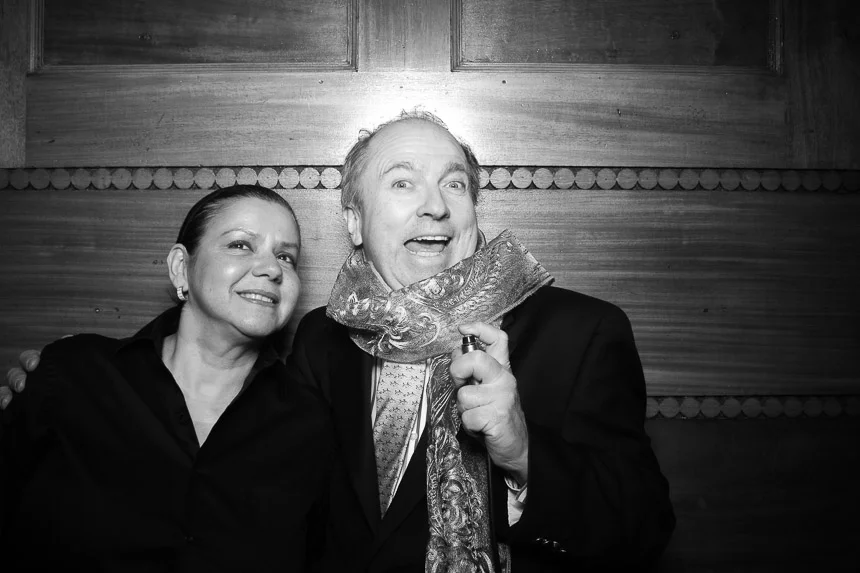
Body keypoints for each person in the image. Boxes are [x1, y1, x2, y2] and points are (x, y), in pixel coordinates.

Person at [4, 112, 675, 572]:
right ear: (354, 222)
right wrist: (66, 376)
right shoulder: (325, 340)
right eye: (403, 182)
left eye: (454, 184)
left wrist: (523, 452)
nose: (435, 205)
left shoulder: (582, 330)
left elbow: (644, 530)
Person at [0, 185, 332, 572]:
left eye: (286, 257)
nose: (272, 269)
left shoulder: (308, 424)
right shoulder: (75, 374)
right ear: (180, 267)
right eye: (241, 245)